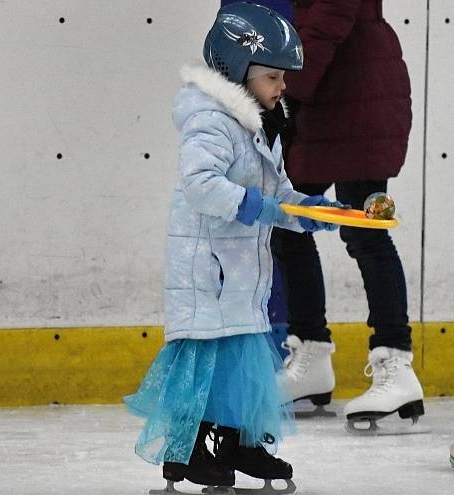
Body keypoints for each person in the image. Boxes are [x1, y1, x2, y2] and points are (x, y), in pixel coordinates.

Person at [124, 2, 341, 491]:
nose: (281, 87)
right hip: (208, 270)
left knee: (242, 363)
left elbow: (277, 193)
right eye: (272, 77)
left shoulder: (261, 122)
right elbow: (201, 184)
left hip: (240, 274)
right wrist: (261, 208)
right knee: (210, 366)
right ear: (238, 72)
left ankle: (238, 441)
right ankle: (191, 452)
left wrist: (308, 212)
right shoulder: (211, 119)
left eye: (282, 78)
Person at [268, 0, 427, 429]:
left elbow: (322, 27)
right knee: (288, 226)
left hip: (357, 97)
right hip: (333, 101)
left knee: (367, 234)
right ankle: (313, 355)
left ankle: (396, 364)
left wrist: (285, 91)